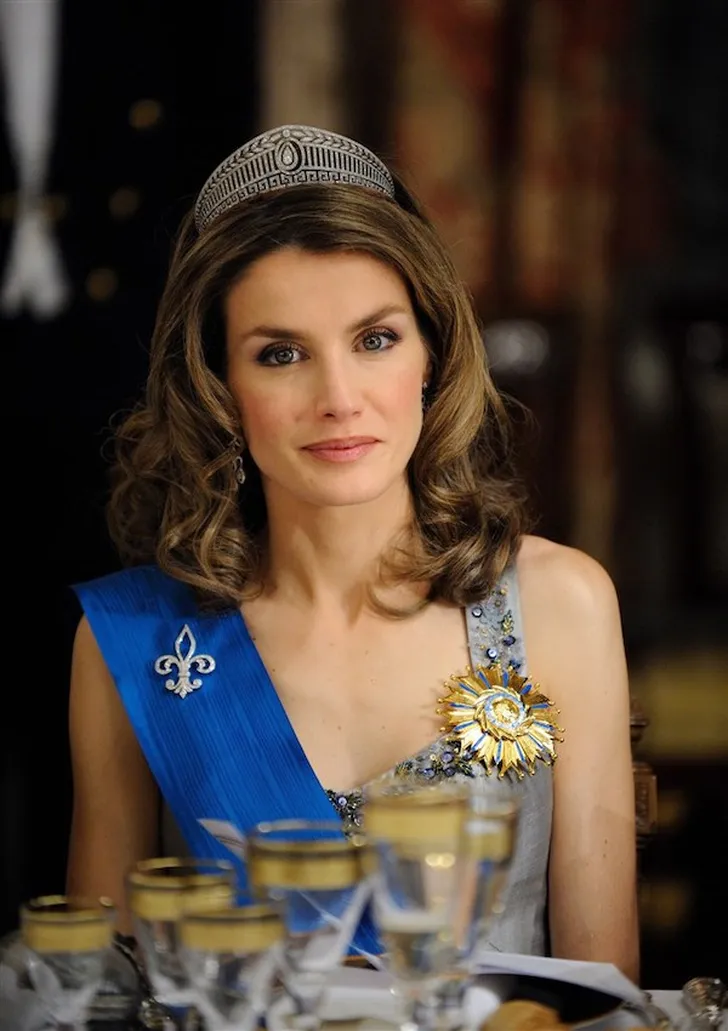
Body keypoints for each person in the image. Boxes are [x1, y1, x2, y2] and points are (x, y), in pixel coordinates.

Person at [65, 125, 638, 979]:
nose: (338, 397)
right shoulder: (135, 641)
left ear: (432, 355)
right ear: (219, 387)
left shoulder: (562, 602)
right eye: (281, 354)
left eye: (375, 340)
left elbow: (609, 999)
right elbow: (93, 995)